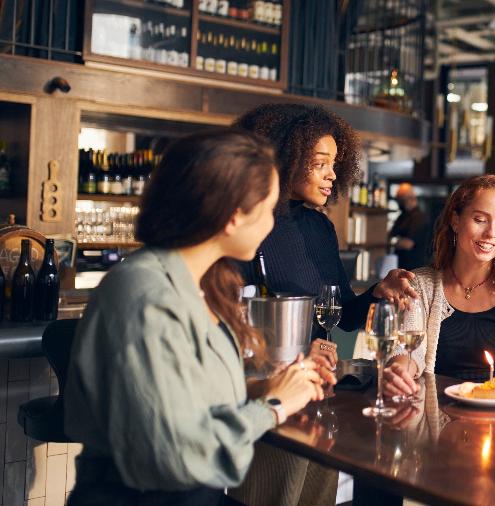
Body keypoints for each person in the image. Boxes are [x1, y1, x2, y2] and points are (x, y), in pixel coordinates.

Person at [65, 130, 335, 505]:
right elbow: (176, 457)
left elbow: (191, 397)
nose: (273, 225)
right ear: (232, 215)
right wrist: (274, 407)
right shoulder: (146, 294)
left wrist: (270, 386)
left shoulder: (200, 284)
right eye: (268, 210)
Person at [235, 104, 417, 366]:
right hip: (264, 381)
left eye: (333, 164)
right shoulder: (244, 227)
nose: (331, 174)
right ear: (285, 158)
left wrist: (378, 290)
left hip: (315, 379)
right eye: (320, 163)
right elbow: (236, 323)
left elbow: (343, 315)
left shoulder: (320, 227)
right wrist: (301, 350)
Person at [383, 175, 495, 400]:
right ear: (455, 220)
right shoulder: (420, 286)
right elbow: (409, 352)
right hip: (432, 431)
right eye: (480, 220)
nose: (492, 233)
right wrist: (399, 369)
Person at [390, 182, 431, 270]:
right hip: (400, 267)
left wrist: (394, 241)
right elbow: (390, 235)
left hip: (414, 269)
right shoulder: (402, 217)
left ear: (409, 198)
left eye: (400, 199)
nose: (398, 202)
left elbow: (407, 244)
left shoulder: (419, 218)